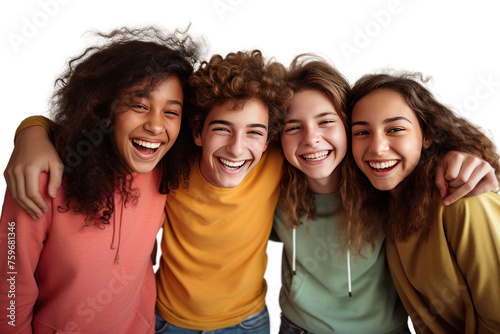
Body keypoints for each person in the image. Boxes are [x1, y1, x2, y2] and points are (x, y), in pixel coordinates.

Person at [3, 52, 499, 333]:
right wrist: (33, 129)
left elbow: (408, 150)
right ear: (196, 132)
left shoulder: (368, 184)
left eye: (257, 134)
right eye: (221, 129)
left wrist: (460, 154)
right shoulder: (167, 167)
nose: (238, 147)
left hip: (250, 324)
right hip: (168, 324)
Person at [0, 26, 199, 333]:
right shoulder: (42, 178)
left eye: (171, 112)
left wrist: (31, 127)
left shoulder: (168, 172)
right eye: (139, 106)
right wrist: (31, 130)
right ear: (104, 108)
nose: (156, 125)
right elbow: (12, 283)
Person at [344, 72, 500, 333]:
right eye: (362, 132)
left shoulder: (463, 200)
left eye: (395, 129)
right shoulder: (384, 205)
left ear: (426, 136)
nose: (377, 147)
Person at [272, 55, 409, 334]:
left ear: (348, 126)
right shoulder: (271, 189)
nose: (311, 139)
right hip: (298, 327)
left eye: (325, 122)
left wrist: (461, 157)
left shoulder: (384, 184)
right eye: (294, 127)